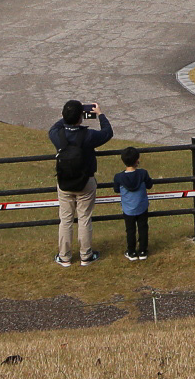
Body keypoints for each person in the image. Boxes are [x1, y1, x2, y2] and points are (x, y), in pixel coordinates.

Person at [48, 100, 114, 266]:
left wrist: (68, 115)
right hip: (86, 181)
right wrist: (100, 114)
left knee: (66, 220)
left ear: (64, 116)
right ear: (81, 117)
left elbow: (54, 127)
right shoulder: (88, 136)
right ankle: (86, 255)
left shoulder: (57, 135)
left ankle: (64, 257)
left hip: (64, 182)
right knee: (84, 218)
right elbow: (107, 132)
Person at [112, 147, 151, 261]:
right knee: (143, 228)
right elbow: (149, 185)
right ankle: (143, 250)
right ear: (137, 160)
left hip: (128, 208)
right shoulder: (143, 173)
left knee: (130, 230)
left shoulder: (118, 177)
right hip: (142, 206)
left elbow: (116, 190)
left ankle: (131, 251)